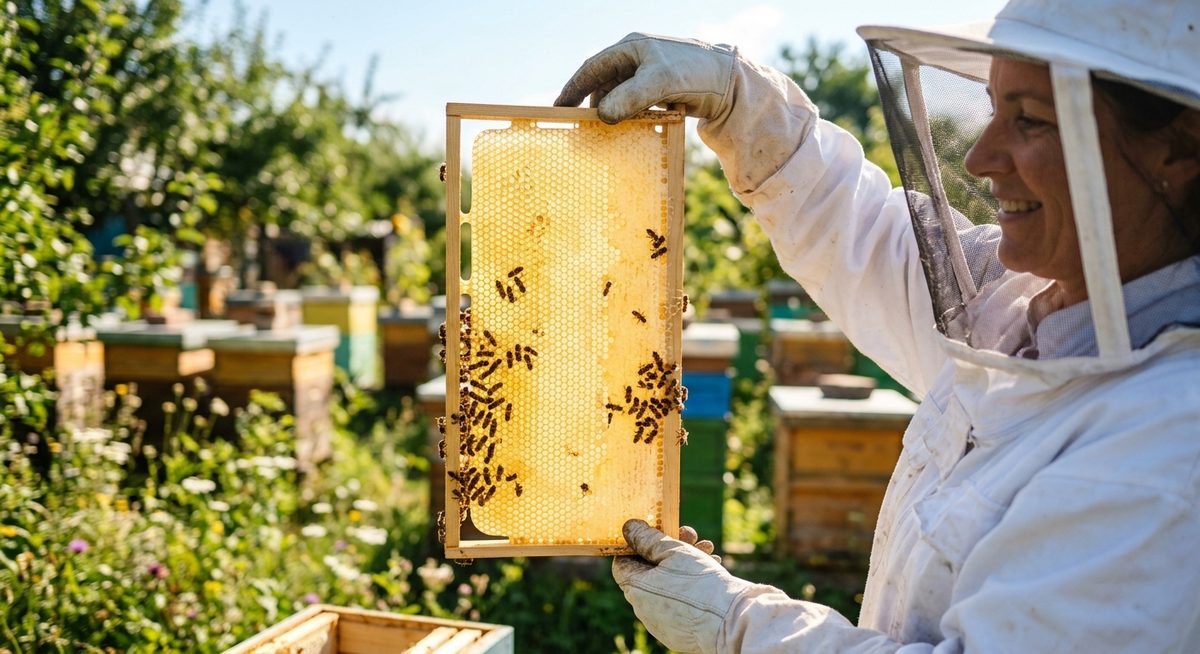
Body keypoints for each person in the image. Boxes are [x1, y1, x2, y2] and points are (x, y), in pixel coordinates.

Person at [554, 0, 1200, 651]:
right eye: (992, 107)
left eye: (1029, 120)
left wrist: (743, 626)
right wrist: (740, 101)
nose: (979, 156)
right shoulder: (1024, 311)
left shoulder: (1168, 449)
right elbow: (867, 239)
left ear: (1180, 147)